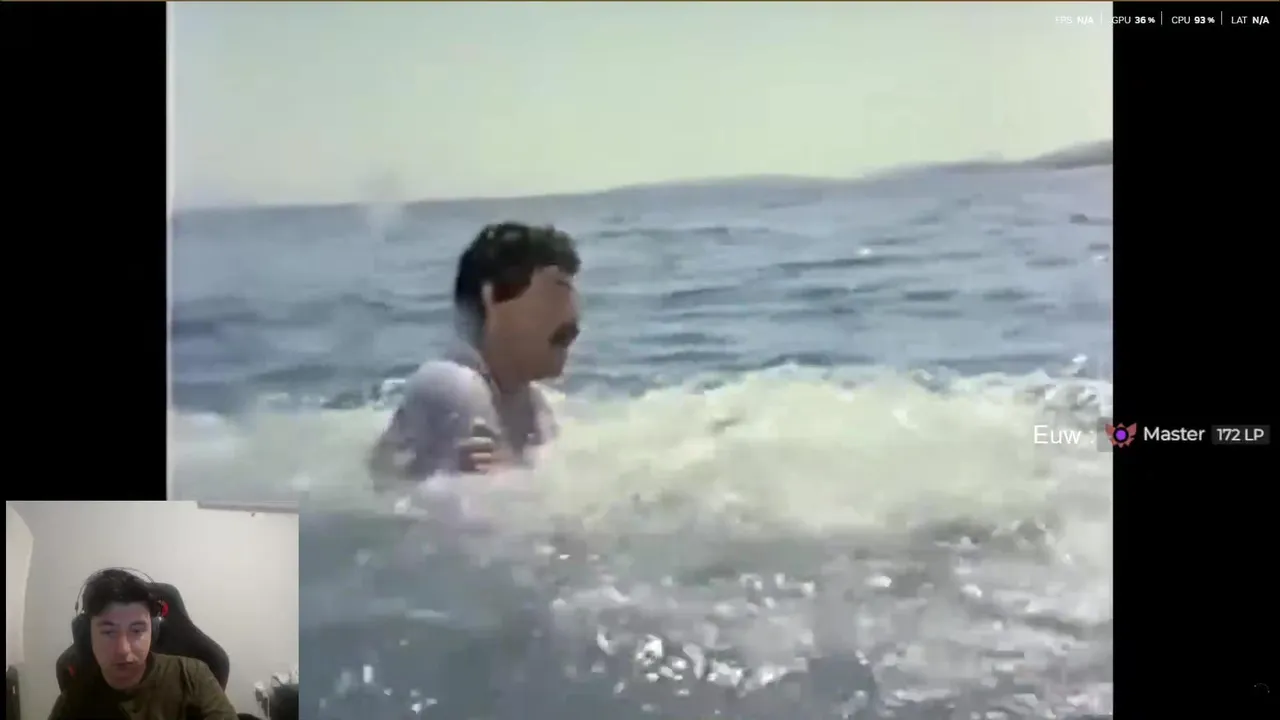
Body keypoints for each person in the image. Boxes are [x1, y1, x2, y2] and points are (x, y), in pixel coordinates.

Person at [368, 221, 581, 484]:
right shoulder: (454, 385)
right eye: (556, 292)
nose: (573, 316)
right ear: (493, 299)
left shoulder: (533, 404)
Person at [48, 569, 237, 720]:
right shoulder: (73, 701)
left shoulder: (192, 676)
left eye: (137, 630)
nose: (123, 650)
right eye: (108, 632)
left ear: (153, 632)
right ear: (87, 635)